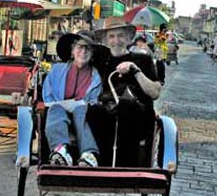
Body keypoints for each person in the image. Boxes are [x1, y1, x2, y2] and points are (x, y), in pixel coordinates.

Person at [87, 17, 161, 167]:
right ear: (106, 40)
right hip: (107, 113)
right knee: (93, 110)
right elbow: (79, 51)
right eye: (111, 36)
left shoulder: (143, 59)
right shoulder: (101, 58)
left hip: (137, 115)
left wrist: (135, 70)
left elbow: (154, 92)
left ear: (128, 38)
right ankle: (100, 161)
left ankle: (127, 163)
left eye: (120, 36)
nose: (116, 40)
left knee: (126, 107)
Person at [42, 31, 102, 167]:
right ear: (72, 51)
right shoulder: (56, 70)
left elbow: (95, 100)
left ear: (92, 54)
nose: (83, 51)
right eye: (80, 47)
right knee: (56, 108)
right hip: (57, 113)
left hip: (83, 115)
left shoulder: (97, 77)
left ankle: (89, 155)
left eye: (88, 48)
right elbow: (48, 96)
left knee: (82, 109)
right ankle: (60, 151)